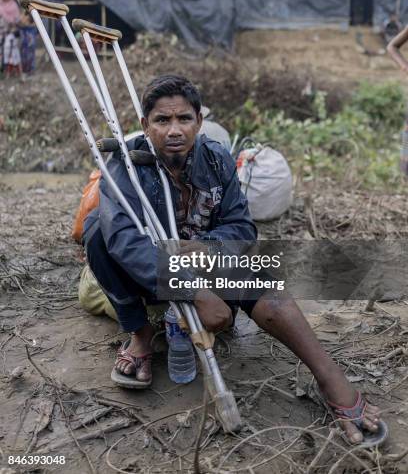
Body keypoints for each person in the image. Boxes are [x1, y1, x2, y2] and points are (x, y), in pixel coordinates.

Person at [84, 74, 383, 445]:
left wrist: (207, 248)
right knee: (97, 230)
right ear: (146, 125)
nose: (174, 130)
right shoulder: (126, 163)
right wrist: (195, 292)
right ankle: (141, 338)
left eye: (184, 119)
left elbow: (241, 227)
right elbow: (125, 242)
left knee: (260, 279)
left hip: (206, 263)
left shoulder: (216, 159)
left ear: (199, 121)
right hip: (149, 274)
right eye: (162, 121)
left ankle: (330, 378)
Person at [0, 0, 20, 74]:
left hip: (11, 31)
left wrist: (12, 24)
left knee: (10, 49)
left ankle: (10, 70)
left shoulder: (14, 6)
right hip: (1, 31)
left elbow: (17, 20)